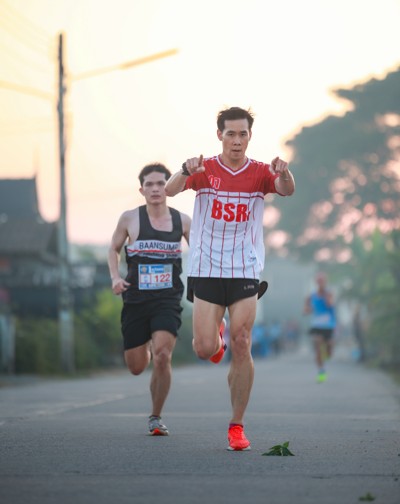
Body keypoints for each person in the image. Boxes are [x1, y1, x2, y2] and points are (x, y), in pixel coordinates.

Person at [164, 106, 295, 451]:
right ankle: (216, 338)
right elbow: (171, 190)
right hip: (207, 267)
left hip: (245, 268)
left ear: (250, 136)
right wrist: (184, 169)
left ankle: (237, 425)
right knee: (204, 349)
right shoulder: (204, 169)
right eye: (231, 134)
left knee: (243, 341)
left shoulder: (261, 172)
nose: (237, 140)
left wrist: (285, 172)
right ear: (219, 135)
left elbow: (286, 189)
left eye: (243, 134)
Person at [108, 163, 191, 436]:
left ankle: (156, 417)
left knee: (163, 355)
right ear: (142, 190)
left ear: (169, 187)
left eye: (161, 184)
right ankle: (144, 342)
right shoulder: (130, 218)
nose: (155, 189)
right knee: (136, 367)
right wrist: (115, 278)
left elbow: (203, 253)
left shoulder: (183, 221)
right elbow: (113, 249)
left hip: (167, 299)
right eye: (150, 184)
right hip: (135, 300)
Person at [304, 272, 336, 383]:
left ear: (325, 282)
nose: (320, 283)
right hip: (317, 325)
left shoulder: (329, 294)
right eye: (319, 281)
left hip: (329, 325)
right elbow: (305, 309)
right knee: (318, 346)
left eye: (322, 281)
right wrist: (308, 309)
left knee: (329, 351)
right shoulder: (311, 296)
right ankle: (321, 371)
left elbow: (330, 304)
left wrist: (326, 297)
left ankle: (327, 352)